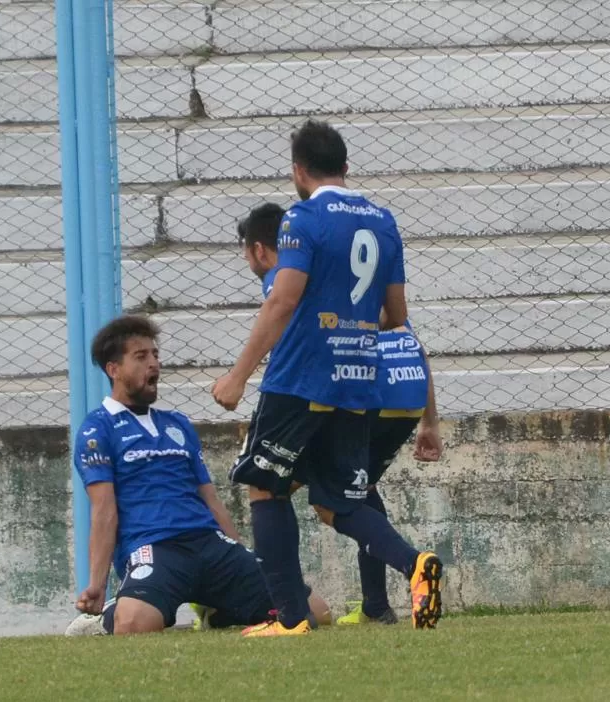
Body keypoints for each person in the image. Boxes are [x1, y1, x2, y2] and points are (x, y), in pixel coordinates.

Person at [212, 120, 443, 636]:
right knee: (335, 501)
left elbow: (284, 299)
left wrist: (237, 377)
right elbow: (396, 314)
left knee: (263, 488)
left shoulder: (302, 218)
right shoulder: (383, 221)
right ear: (346, 166)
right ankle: (415, 565)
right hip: (356, 378)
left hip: (300, 378)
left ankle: (290, 619)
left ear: (298, 170)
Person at [72, 315, 329, 634]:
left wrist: (239, 553)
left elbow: (209, 497)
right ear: (114, 369)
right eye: (141, 357)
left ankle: (217, 611)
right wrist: (96, 584)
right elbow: (103, 510)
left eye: (155, 355)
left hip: (210, 543)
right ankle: (108, 615)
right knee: (134, 624)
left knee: (315, 613)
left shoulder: (177, 424)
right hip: (154, 546)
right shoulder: (97, 429)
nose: (153, 364)